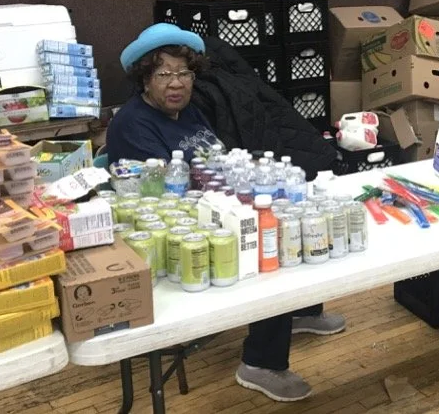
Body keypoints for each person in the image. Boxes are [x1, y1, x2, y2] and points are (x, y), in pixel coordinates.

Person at [108, 23, 346, 402]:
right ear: (144, 79)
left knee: (288, 217)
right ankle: (261, 363)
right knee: (267, 246)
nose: (176, 83)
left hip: (218, 205)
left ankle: (300, 310)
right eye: (164, 74)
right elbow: (162, 200)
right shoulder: (132, 124)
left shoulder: (188, 112)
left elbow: (216, 159)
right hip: (182, 229)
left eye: (183, 73)